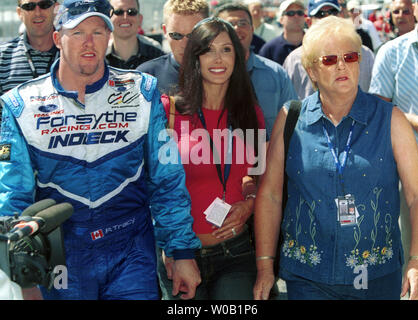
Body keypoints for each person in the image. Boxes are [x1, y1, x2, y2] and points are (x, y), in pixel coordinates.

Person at [0, 0, 201, 300]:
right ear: (57, 38)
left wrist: (182, 251)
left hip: (130, 249)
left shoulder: (142, 91)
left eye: (98, 31)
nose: (89, 42)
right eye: (78, 32)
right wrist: (21, 275)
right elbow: (12, 195)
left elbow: (167, 179)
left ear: (109, 36)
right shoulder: (21, 105)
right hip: (62, 253)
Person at [253, 15, 418, 300]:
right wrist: (264, 265)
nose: (342, 65)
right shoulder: (291, 117)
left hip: (375, 277)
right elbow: (270, 194)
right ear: (311, 71)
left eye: (350, 56)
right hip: (308, 277)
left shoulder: (390, 118)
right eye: (330, 59)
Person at [158, 17, 265, 300]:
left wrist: (248, 205)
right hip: (182, 254)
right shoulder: (168, 112)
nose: (218, 58)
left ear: (238, 56)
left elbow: (257, 174)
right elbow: (154, 186)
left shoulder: (250, 114)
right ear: (195, 57)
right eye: (208, 50)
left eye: (226, 49)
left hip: (236, 253)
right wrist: (169, 247)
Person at [369, 0, 418, 293]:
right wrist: (412, 120)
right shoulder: (392, 52)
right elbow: (378, 106)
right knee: (413, 252)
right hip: (408, 171)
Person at [216, 2, 298, 141]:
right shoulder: (207, 75)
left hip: (267, 160)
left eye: (243, 23)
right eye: (229, 24)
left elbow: (294, 125)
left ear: (253, 29)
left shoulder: (276, 75)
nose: (236, 29)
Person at [283, 0, 375, 100]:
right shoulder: (295, 59)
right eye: (320, 14)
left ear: (341, 17)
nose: (328, 18)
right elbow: (287, 102)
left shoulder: (364, 53)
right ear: (309, 22)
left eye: (333, 12)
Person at [137, 0, 210, 95]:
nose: (185, 44)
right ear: (165, 31)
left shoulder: (221, 72)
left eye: (193, 35)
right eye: (176, 35)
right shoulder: (146, 76)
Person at [0, 0, 59, 96]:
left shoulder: (75, 52)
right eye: (29, 6)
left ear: (56, 8)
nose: (37, 13)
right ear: (19, 13)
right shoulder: (2, 55)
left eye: (44, 5)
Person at [105, 0, 164, 69]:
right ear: (108, 19)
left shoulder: (156, 54)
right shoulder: (99, 56)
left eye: (131, 12)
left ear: (140, 19)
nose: (125, 17)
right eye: (118, 12)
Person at [258, 0, 305, 65]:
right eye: (290, 13)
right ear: (281, 19)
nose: (296, 16)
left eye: (300, 13)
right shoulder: (269, 49)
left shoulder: (313, 44)